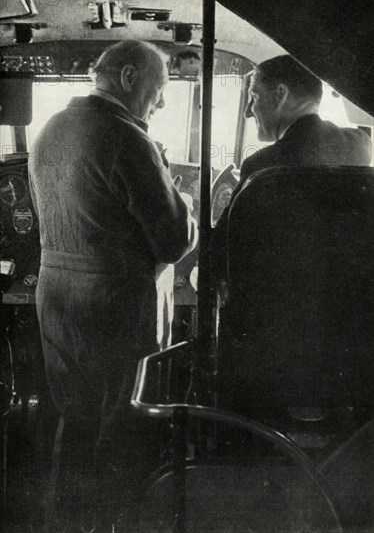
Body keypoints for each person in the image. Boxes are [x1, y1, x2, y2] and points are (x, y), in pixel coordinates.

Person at [28, 39, 197, 532]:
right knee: (120, 425)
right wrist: (180, 192)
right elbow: (171, 242)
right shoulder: (129, 138)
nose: (161, 102)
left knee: (73, 418)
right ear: (127, 78)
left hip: (56, 295)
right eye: (159, 89)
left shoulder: (49, 129)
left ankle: (63, 522)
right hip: (113, 303)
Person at [212, 54, 372, 281]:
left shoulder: (261, 166)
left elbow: (223, 250)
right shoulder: (361, 146)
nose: (248, 111)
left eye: (254, 97)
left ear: (280, 95)